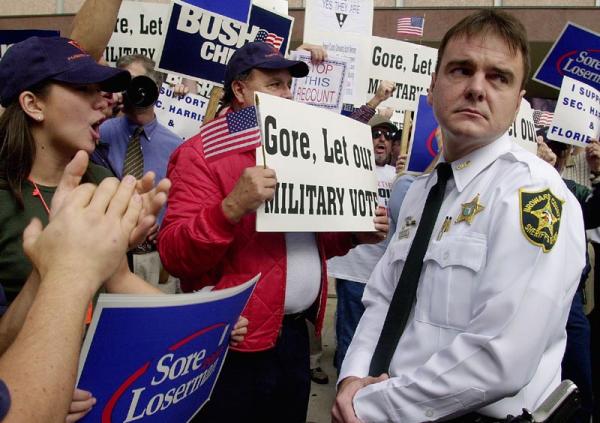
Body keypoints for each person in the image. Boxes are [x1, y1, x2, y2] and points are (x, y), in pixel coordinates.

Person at [332, 10, 586, 423]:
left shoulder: (534, 195)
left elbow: (500, 357)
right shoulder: (421, 192)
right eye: (461, 70)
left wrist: (369, 406)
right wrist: (352, 379)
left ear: (518, 101)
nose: (476, 89)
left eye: (498, 77)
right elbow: (383, 299)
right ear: (432, 88)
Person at [158, 41, 388, 423]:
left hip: (294, 339)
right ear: (240, 89)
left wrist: (352, 235)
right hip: (235, 343)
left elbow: (305, 243)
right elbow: (174, 255)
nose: (286, 94)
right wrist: (230, 209)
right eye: (274, 84)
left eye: (288, 85)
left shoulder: (300, 146)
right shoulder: (200, 153)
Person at [92, 54, 182, 292]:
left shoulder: (176, 145)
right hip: (107, 253)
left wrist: (160, 225)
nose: (137, 88)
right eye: (129, 81)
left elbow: (182, 202)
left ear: (157, 87)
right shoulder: (99, 134)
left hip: (153, 258)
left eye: (143, 81)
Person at [328, 115, 397, 372]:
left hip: (386, 270)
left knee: (375, 336)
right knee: (351, 333)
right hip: (354, 268)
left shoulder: (398, 175)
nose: (382, 139)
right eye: (376, 133)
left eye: (388, 136)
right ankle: (346, 390)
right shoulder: (347, 168)